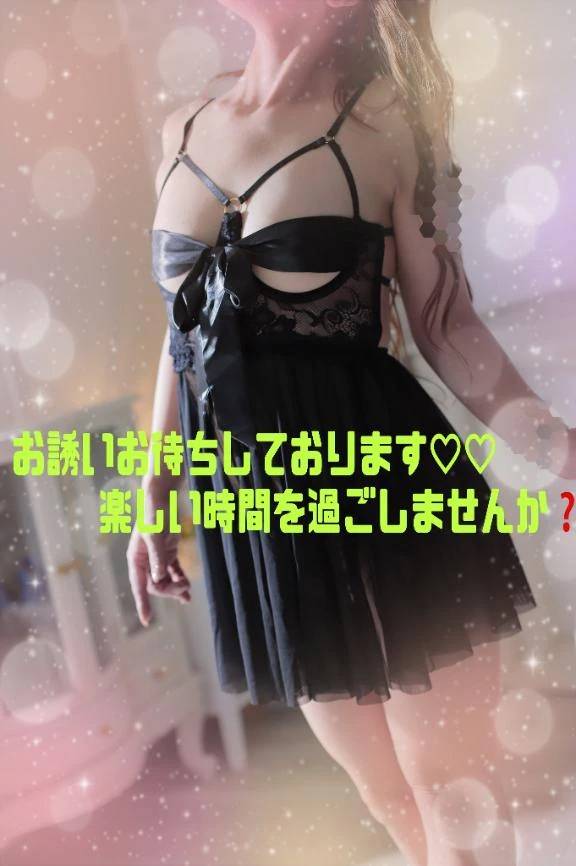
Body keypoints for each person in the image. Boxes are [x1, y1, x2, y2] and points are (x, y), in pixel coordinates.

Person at [127, 2, 576, 863]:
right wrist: (156, 494)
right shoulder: (182, 128)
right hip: (263, 513)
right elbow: (180, 336)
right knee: (385, 794)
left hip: (384, 483)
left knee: (452, 791)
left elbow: (447, 327)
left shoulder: (389, 126)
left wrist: (557, 445)